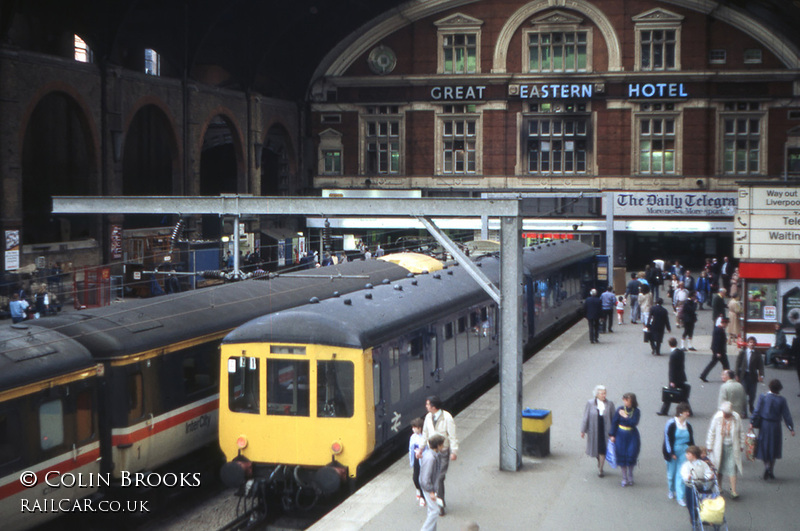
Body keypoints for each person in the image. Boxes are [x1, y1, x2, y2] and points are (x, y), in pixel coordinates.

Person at [418, 396, 458, 516]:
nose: (426, 406)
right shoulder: (428, 417)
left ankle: (439, 504)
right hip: (431, 451)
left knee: (439, 477)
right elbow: (425, 434)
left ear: (434, 407)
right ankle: (438, 501)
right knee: (433, 477)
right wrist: (420, 448)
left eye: (428, 404)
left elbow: (452, 435)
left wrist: (454, 451)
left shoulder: (447, 418)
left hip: (443, 451)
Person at [751, 379, 795, 480]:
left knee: (764, 446)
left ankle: (766, 466)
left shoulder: (763, 397)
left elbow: (757, 410)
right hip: (775, 426)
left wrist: (752, 422)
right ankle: (771, 468)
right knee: (774, 447)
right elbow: (786, 415)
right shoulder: (782, 400)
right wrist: (790, 428)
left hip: (764, 425)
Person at [706, 401, 745, 498]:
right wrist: (709, 446)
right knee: (719, 467)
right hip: (719, 446)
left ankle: (733, 491)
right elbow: (712, 432)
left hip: (732, 446)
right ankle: (719, 487)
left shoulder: (736, 418)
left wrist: (741, 444)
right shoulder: (717, 417)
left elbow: (741, 431)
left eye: (728, 414)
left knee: (732, 468)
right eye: (725, 413)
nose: (726, 415)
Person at [662, 402, 694, 506]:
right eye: (686, 412)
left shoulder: (688, 425)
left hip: (684, 451)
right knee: (671, 474)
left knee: (681, 474)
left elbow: (691, 441)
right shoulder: (671, 424)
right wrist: (671, 452)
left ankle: (680, 497)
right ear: (680, 413)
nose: (688, 414)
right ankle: (671, 490)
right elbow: (667, 439)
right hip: (673, 450)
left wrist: (693, 452)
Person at [580, 385, 615, 478]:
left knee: (603, 450)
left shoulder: (610, 404)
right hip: (594, 429)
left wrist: (615, 432)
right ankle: (599, 460)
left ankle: (601, 469)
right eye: (602, 393)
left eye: (605, 393)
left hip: (605, 430)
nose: (604, 395)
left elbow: (614, 418)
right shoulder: (590, 403)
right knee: (596, 448)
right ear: (596, 394)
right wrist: (583, 430)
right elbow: (585, 417)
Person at [608, 392, 641, 487]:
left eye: (627, 400)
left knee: (631, 454)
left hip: (632, 435)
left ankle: (630, 474)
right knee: (621, 454)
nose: (625, 402)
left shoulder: (636, 411)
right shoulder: (620, 409)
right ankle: (624, 477)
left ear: (632, 401)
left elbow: (634, 422)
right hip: (621, 435)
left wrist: (625, 416)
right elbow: (614, 422)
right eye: (624, 400)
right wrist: (612, 435)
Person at [681, 445, 716, 527]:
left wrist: (709, 476)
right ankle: (694, 518)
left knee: (702, 502)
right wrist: (687, 477)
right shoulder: (686, 465)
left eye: (688, 454)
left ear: (694, 455)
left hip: (701, 486)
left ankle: (702, 517)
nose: (686, 456)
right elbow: (684, 474)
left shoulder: (703, 464)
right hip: (690, 486)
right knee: (690, 504)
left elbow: (707, 472)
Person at [419, 434, 445, 531]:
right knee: (435, 510)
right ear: (437, 445)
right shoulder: (431, 458)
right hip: (428, 488)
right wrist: (431, 492)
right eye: (441, 445)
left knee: (431, 510)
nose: (443, 447)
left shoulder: (432, 455)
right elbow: (426, 478)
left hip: (430, 487)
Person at [659, 338, 690, 416]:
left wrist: (672, 381)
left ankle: (664, 411)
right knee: (683, 396)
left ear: (669, 344)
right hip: (681, 377)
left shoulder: (673, 355)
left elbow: (672, 369)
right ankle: (688, 410)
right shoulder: (681, 352)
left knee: (668, 395)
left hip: (675, 378)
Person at [736, 336, 764, 416]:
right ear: (747, 344)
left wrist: (761, 375)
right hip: (744, 376)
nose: (752, 344)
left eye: (753, 343)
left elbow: (761, 365)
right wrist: (736, 374)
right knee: (743, 394)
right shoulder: (743, 353)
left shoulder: (757, 354)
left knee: (752, 394)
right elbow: (737, 363)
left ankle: (751, 406)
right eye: (750, 342)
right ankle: (744, 411)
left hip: (753, 377)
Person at [700, 316, 730, 382]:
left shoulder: (718, 329)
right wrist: (718, 352)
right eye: (727, 323)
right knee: (726, 365)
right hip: (720, 351)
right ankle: (727, 378)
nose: (727, 325)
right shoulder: (719, 330)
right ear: (724, 323)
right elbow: (717, 342)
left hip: (718, 351)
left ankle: (703, 375)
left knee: (713, 363)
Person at [409, 417, 427, 506]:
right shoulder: (413, 437)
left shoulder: (425, 437)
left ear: (420, 428)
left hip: (423, 459)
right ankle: (418, 490)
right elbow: (411, 449)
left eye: (414, 427)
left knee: (422, 479)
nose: (413, 429)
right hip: (416, 459)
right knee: (415, 478)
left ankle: (423, 497)